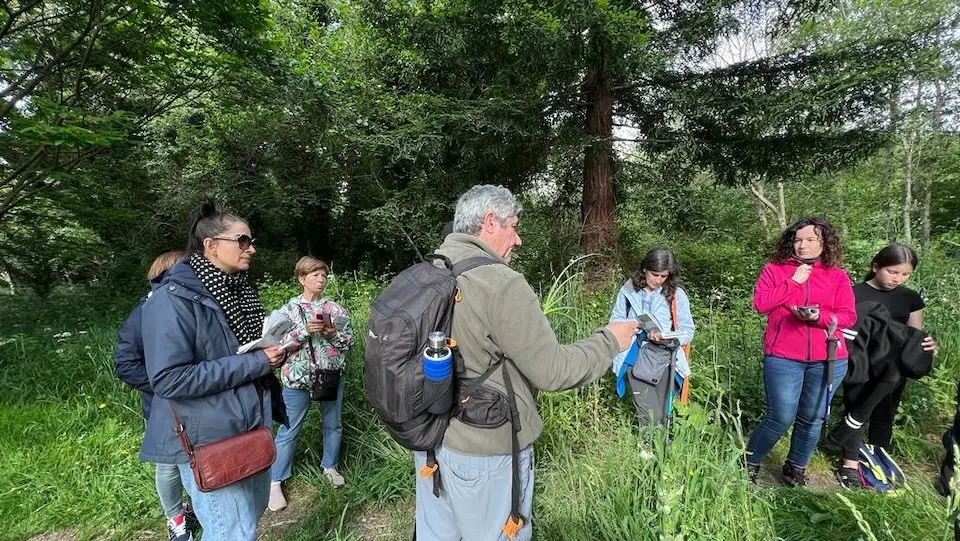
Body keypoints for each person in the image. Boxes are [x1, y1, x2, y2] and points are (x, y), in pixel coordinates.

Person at [413, 184, 637, 541]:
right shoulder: (500, 283)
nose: (517, 240)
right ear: (490, 223)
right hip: (486, 452)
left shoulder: (431, 269)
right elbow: (553, 371)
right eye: (513, 227)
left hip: (431, 445)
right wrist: (610, 340)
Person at [139, 202, 288, 541]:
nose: (252, 248)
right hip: (206, 436)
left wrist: (273, 353)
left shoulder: (238, 291)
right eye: (243, 240)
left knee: (248, 520)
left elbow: (236, 353)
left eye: (251, 240)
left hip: (248, 425)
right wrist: (257, 363)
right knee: (231, 532)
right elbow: (169, 379)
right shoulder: (173, 301)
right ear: (211, 245)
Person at [744, 217, 856, 487]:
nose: (802, 245)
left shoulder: (837, 275)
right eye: (798, 239)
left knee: (813, 417)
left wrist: (818, 318)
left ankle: (795, 467)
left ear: (824, 243)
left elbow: (848, 316)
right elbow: (761, 305)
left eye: (810, 240)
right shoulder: (775, 270)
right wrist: (793, 282)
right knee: (780, 416)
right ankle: (749, 461)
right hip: (783, 356)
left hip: (828, 357)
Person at [821, 245, 936, 487]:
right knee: (857, 407)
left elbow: (914, 333)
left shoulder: (910, 298)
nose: (898, 279)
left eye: (905, 274)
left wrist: (926, 345)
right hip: (858, 361)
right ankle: (850, 463)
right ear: (876, 266)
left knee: (885, 414)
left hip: (893, 367)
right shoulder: (853, 293)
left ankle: (878, 458)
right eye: (893, 272)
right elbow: (838, 327)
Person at [115, 250, 195, 541]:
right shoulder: (144, 311)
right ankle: (176, 520)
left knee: (196, 457)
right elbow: (125, 364)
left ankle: (198, 506)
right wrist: (165, 385)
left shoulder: (188, 305)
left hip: (197, 400)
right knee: (169, 463)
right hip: (164, 406)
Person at [268, 256, 353, 511]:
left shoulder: (335, 310)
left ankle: (330, 466)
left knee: (333, 424)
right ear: (301, 279)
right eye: (314, 274)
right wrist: (304, 330)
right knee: (289, 428)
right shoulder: (287, 311)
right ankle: (275, 481)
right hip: (297, 378)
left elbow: (349, 343)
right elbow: (277, 345)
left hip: (329, 376)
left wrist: (332, 334)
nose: (321, 279)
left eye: (323, 275)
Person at [609, 248, 695, 428]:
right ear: (644, 269)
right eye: (654, 274)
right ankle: (648, 450)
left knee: (664, 410)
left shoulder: (676, 295)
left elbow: (687, 330)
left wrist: (669, 338)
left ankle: (662, 451)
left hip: (665, 359)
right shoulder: (628, 292)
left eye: (663, 276)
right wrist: (636, 326)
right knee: (647, 410)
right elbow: (616, 321)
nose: (658, 280)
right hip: (635, 355)